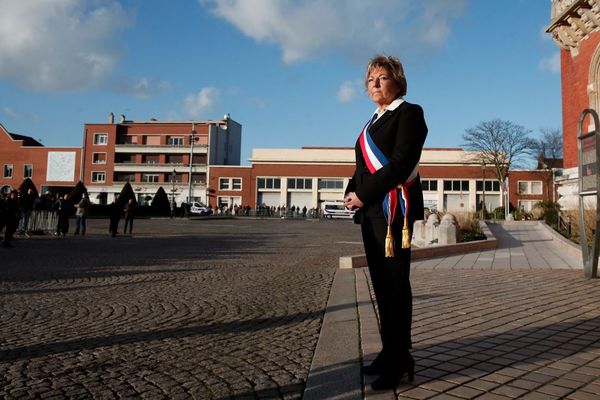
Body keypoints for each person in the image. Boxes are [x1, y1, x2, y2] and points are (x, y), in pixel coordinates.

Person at [344, 55, 427, 391]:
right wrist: (352, 190)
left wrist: (364, 194)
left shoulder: (410, 113)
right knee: (381, 287)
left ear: (398, 81)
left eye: (382, 77)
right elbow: (363, 166)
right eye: (370, 80)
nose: (374, 84)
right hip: (372, 211)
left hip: (395, 211)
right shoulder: (372, 121)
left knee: (395, 286)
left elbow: (399, 163)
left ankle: (400, 356)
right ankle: (389, 351)